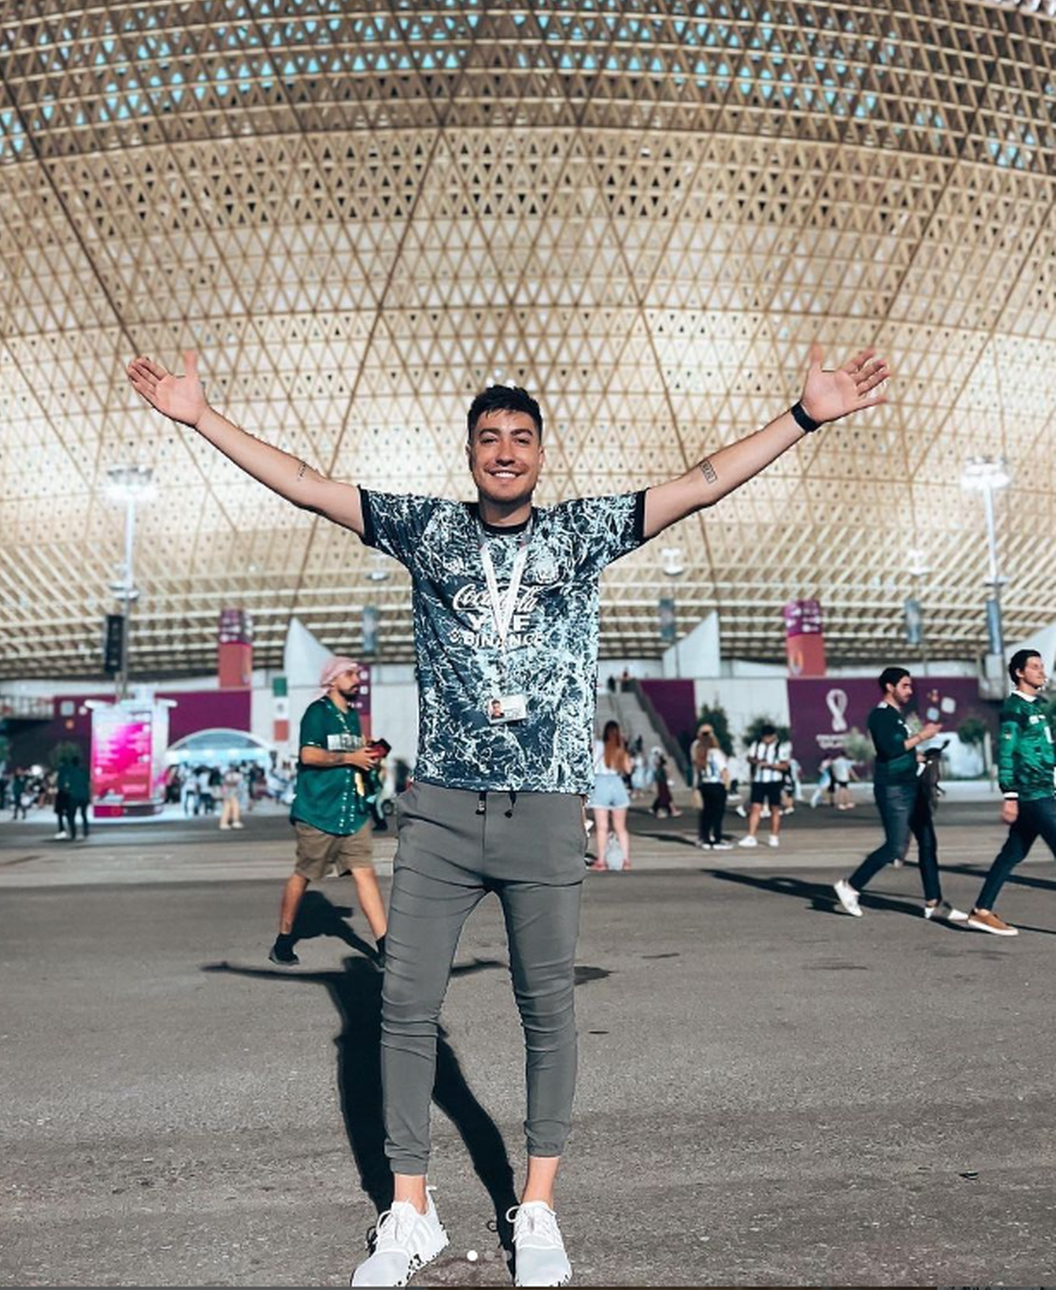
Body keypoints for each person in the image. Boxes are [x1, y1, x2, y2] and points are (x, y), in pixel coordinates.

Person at [128, 341, 888, 1288]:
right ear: (469, 453)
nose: (504, 450)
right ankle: (410, 1214)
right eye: (488, 437)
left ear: (541, 453)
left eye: (520, 437)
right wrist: (201, 418)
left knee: (547, 1010)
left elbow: (700, 484)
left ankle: (538, 1207)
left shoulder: (583, 533)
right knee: (402, 1006)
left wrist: (806, 415)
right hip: (442, 807)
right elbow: (309, 485)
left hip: (544, 806)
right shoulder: (425, 529)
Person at [268, 657, 386, 966]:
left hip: (352, 811)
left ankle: (386, 947)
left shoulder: (352, 717)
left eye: (357, 674)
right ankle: (283, 940)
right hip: (319, 811)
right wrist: (349, 757)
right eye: (349, 674)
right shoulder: (317, 713)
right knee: (305, 874)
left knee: (366, 873)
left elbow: (352, 754)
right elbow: (308, 755)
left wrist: (367, 753)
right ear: (332, 681)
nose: (356, 678)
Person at [832, 667, 965, 923]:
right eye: (905, 685)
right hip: (893, 788)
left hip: (910, 785)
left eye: (910, 685)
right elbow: (891, 749)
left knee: (927, 841)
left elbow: (901, 752)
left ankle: (934, 902)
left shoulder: (897, 717)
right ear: (890, 687)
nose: (910, 690)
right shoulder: (880, 716)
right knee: (895, 846)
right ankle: (850, 886)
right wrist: (922, 736)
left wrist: (921, 755)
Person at [963, 649, 1056, 937]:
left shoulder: (1037, 706)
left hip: (1043, 789)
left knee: (1012, 853)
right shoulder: (1014, 707)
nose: (1042, 671)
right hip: (1032, 793)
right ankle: (982, 911)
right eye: (1035, 667)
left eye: (1042, 666)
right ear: (1019, 672)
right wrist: (1010, 796)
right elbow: (1006, 752)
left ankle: (981, 911)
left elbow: (1042, 751)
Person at [590, 720, 632, 870]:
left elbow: (591, 761)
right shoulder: (620, 748)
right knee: (621, 827)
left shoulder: (598, 745)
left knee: (602, 827)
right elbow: (628, 770)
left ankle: (601, 861)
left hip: (600, 783)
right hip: (617, 783)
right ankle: (626, 860)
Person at [739, 724, 789, 848]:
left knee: (774, 809)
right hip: (758, 780)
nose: (766, 739)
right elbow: (750, 758)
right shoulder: (756, 745)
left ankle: (774, 836)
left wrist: (771, 765)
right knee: (755, 807)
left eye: (768, 737)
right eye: (764, 737)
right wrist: (756, 762)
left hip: (774, 781)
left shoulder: (780, 747)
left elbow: (785, 766)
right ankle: (751, 836)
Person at [691, 723, 731, 850]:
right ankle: (717, 839)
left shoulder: (699, 752)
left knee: (707, 813)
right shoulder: (716, 752)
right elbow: (723, 770)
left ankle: (706, 839)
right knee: (718, 814)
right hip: (716, 784)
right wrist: (727, 786)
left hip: (705, 784)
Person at [58, 751, 91, 841]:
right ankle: (85, 830)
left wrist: (67, 791)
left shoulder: (70, 772)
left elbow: (66, 784)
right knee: (84, 814)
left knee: (71, 815)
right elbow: (88, 783)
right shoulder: (84, 771)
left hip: (74, 796)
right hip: (84, 796)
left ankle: (73, 833)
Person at [649, 748, 680, 818]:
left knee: (666, 796)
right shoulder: (656, 761)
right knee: (664, 796)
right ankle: (662, 811)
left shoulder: (658, 761)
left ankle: (672, 810)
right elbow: (661, 768)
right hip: (661, 780)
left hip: (662, 779)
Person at [219, 764, 244, 831]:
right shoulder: (236, 775)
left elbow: (226, 783)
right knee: (233, 807)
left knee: (229, 807)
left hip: (229, 792)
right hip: (230, 792)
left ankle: (226, 822)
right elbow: (233, 783)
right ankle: (233, 821)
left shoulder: (227, 774)